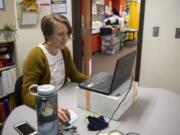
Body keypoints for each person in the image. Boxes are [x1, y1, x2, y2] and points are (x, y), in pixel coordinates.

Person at [22, 14, 88, 123]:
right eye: (60, 34)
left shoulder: (64, 50)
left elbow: (75, 74)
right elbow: (26, 93)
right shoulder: (35, 56)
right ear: (47, 35)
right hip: (46, 104)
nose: (66, 38)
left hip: (63, 96)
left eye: (67, 33)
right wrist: (50, 108)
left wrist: (95, 82)